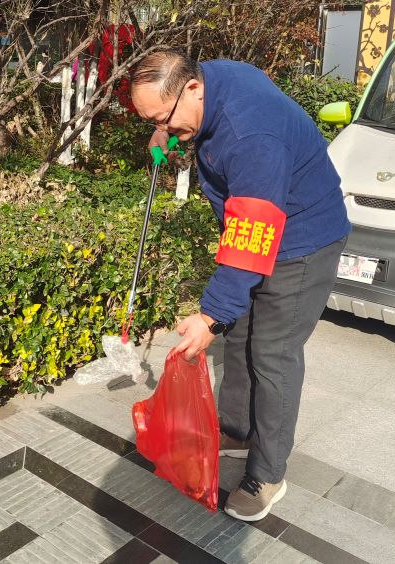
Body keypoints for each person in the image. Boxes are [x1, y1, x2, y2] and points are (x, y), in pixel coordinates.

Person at [130, 50, 351, 522]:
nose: (162, 128)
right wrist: (165, 130)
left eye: (163, 118)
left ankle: (268, 473)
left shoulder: (252, 137)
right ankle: (236, 428)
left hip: (302, 239)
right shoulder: (211, 80)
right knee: (242, 333)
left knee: (273, 353)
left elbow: (252, 237)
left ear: (193, 89)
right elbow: (246, 231)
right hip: (261, 223)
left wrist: (210, 315)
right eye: (152, 121)